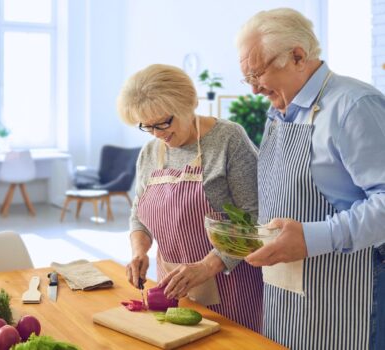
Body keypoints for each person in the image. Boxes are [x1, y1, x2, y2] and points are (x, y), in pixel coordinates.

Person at [235, 8, 385, 350]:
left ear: (298, 56)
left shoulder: (353, 105)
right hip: (285, 292)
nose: (255, 89)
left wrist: (312, 238)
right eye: (247, 79)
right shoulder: (279, 112)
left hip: (350, 289)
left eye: (257, 74)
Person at [117, 63, 264, 332]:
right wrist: (139, 251)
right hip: (174, 290)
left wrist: (205, 267)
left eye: (164, 122)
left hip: (231, 289)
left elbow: (254, 220)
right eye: (148, 127)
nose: (158, 134)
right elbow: (139, 215)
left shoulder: (228, 139)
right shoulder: (150, 153)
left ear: (189, 104)